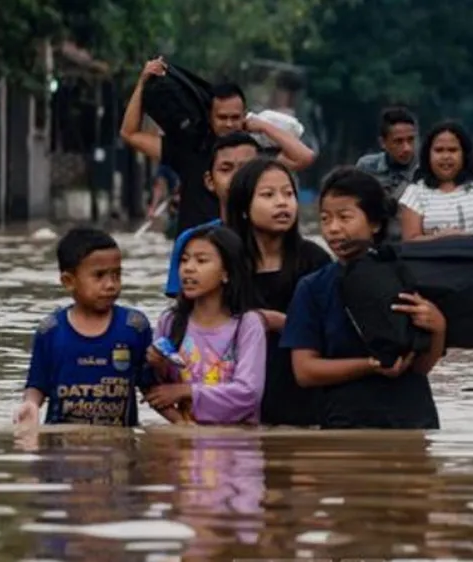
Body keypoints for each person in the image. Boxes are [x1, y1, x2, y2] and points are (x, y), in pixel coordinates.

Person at [280, 167, 448, 429]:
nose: (333, 228)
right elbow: (305, 371)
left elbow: (420, 367)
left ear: (375, 223)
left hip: (413, 421)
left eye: (344, 217)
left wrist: (438, 328)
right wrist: (369, 366)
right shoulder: (313, 288)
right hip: (345, 424)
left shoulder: (406, 276)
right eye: (325, 219)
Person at [120, 57, 315, 237]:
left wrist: (263, 126)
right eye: (222, 117)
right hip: (196, 248)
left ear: (244, 116)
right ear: (210, 117)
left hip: (241, 246)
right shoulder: (189, 150)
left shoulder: (255, 154)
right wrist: (143, 83)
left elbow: (304, 157)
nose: (229, 124)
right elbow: (130, 134)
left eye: (235, 117)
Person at [13, 228, 159, 427]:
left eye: (116, 275)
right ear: (69, 281)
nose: (111, 284)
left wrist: (182, 423)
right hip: (61, 443)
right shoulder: (51, 331)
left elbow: (151, 388)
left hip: (120, 444)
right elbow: (37, 384)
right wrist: (30, 405)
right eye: (99, 276)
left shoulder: (134, 326)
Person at [225, 158, 333, 426]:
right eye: (268, 195)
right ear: (244, 207)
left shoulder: (314, 260)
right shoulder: (225, 262)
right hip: (238, 398)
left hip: (302, 399)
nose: (282, 203)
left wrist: (281, 323)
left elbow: (332, 332)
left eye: (288, 194)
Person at [145, 226, 267, 424]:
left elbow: (249, 393)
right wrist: (158, 365)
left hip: (237, 437)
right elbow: (154, 388)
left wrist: (187, 391)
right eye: (184, 260)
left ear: (226, 273)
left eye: (201, 261)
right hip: (182, 434)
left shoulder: (247, 324)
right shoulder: (170, 321)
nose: (188, 268)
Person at [163, 132, 260, 298]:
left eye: (246, 169)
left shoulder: (278, 238)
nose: (237, 177)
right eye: (226, 169)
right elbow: (182, 306)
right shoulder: (190, 240)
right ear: (209, 181)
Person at [399, 120, 473, 244]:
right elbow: (410, 240)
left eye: (452, 150)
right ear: (428, 154)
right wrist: (443, 238)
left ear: (464, 154)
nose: (446, 156)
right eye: (439, 150)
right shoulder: (415, 191)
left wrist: (468, 238)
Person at [356, 106, 420, 242]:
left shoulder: (424, 170)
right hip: (376, 242)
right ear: (383, 143)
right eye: (398, 141)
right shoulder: (367, 167)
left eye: (410, 140)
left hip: (411, 242)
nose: (407, 148)